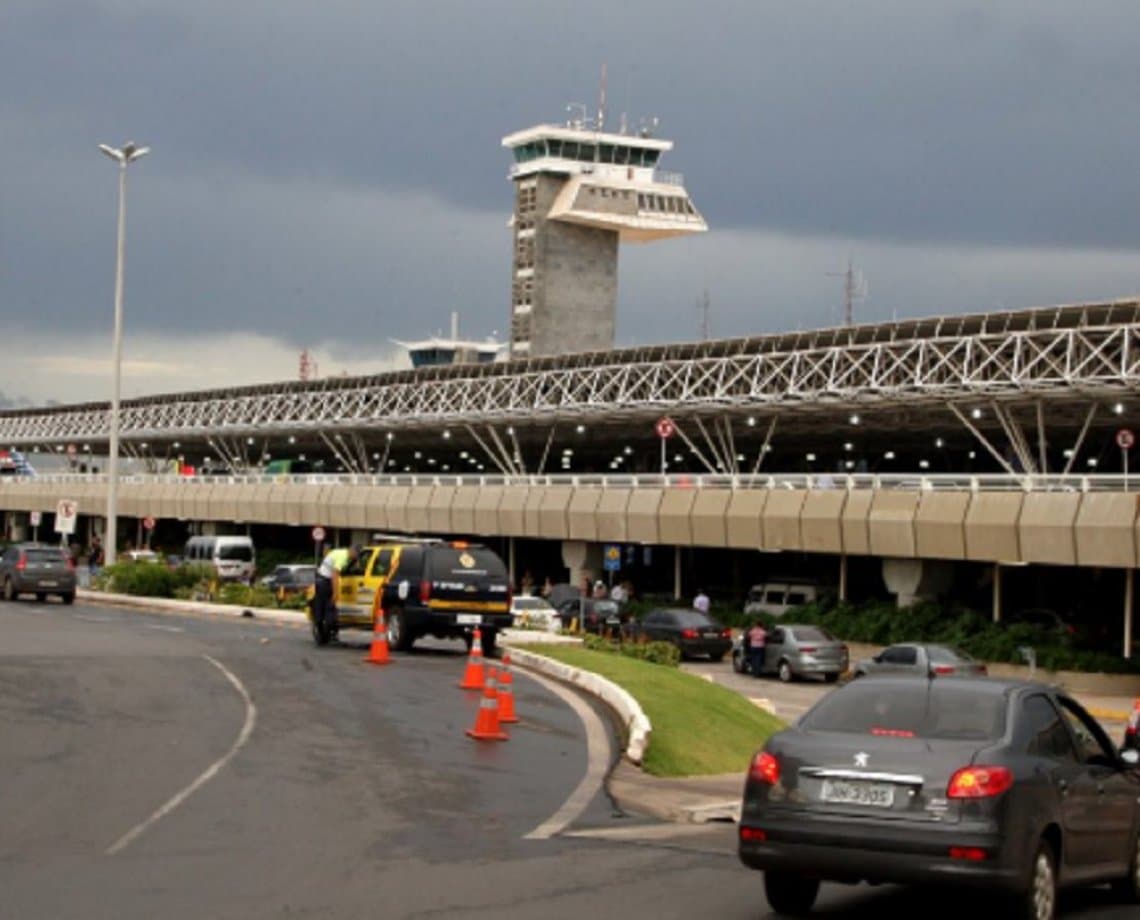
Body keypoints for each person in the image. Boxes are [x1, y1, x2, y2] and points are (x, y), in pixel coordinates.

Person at [313, 543, 360, 641]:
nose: (356, 557)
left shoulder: (339, 552)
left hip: (319, 579)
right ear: (352, 551)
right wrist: (335, 592)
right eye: (356, 555)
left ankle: (320, 628)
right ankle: (325, 635)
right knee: (330, 610)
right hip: (326, 582)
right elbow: (335, 575)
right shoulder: (343, 558)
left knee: (320, 607)